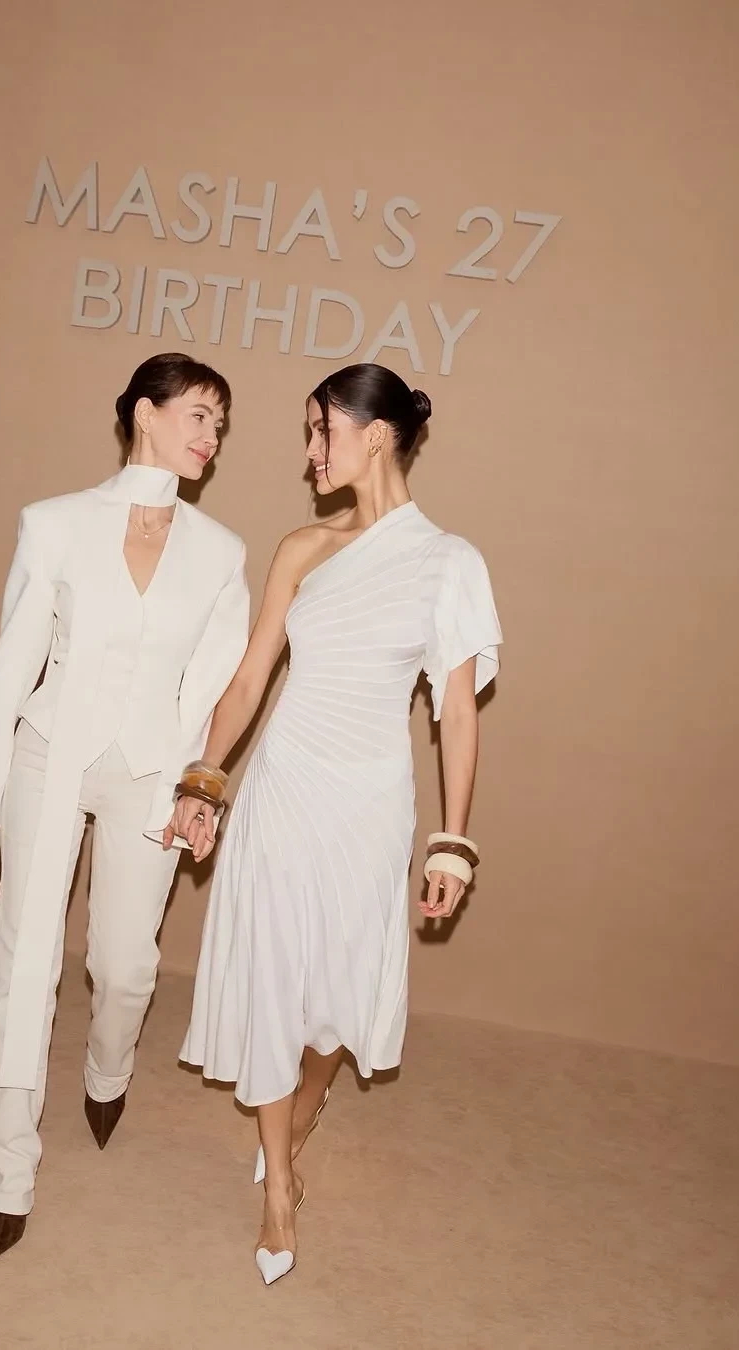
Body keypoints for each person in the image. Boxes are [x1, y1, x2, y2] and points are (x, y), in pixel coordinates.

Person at [165, 363, 502, 1285]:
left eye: (323, 431)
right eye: (310, 433)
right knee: (276, 977)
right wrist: (203, 780)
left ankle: (309, 1100)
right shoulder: (303, 549)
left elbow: (457, 712)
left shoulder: (449, 562)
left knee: (333, 1003)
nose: (311, 452)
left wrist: (454, 844)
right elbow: (249, 680)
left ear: (376, 434)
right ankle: (279, 1181)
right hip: (284, 790)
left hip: (370, 805)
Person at [0, 352, 250, 1257]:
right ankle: (9, 1165)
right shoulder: (55, 523)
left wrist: (195, 786)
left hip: (151, 770)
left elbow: (214, 684)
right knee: (25, 963)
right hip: (48, 753)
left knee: (124, 966)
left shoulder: (222, 552)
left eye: (220, 424)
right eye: (198, 415)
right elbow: (11, 661)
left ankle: (108, 1069)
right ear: (145, 414)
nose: (210, 436)